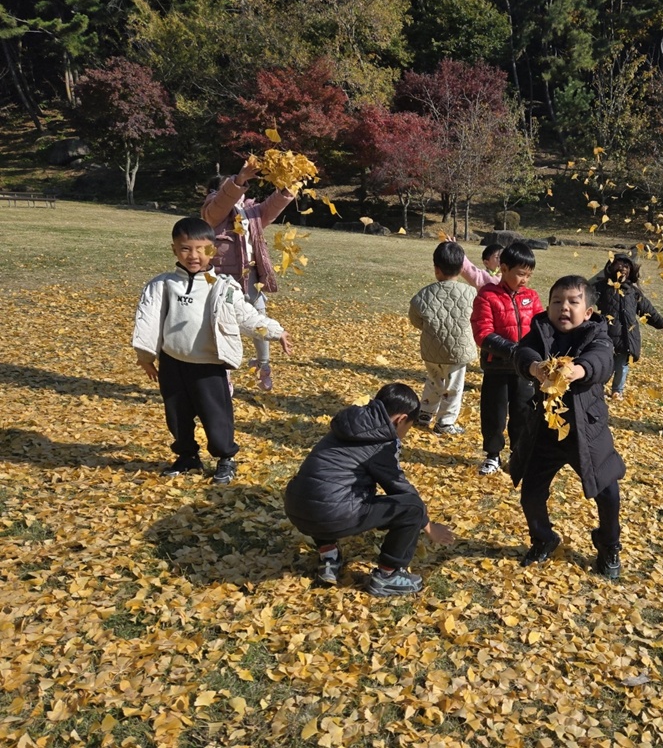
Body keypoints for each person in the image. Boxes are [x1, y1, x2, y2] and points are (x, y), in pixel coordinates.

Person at [132, 217, 292, 484]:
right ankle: (187, 456)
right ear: (174, 249)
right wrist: (145, 358)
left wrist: (276, 332)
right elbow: (147, 320)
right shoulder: (163, 285)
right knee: (177, 416)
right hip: (173, 364)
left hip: (209, 365)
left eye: (201, 249)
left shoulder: (223, 287)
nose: (193, 255)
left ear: (212, 250)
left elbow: (247, 317)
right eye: (185, 248)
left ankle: (225, 458)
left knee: (216, 416)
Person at [283, 383, 456, 596]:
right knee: (412, 507)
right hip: (330, 514)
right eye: (407, 429)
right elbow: (400, 489)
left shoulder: (350, 423)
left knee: (326, 492)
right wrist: (429, 526)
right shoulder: (381, 443)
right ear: (401, 419)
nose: (404, 435)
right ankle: (388, 575)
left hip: (296, 506)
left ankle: (328, 553)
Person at [511, 276, 627, 578]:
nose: (564, 308)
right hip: (545, 431)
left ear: (587, 311)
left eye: (573, 302)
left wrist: (578, 370)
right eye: (557, 302)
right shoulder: (539, 330)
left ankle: (609, 544)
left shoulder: (597, 333)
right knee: (531, 493)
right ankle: (543, 537)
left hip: (587, 432)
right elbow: (522, 353)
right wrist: (534, 367)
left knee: (608, 492)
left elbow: (602, 360)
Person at [201, 161, 295, 391]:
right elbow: (221, 204)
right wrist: (238, 181)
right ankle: (224, 375)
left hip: (250, 277)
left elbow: (271, 208)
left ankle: (263, 365)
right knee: (223, 325)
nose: (239, 194)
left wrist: (286, 190)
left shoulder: (251, 213)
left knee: (259, 319)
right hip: (222, 279)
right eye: (230, 188)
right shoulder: (212, 212)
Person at [470, 242, 545, 475]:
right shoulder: (487, 296)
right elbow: (483, 333)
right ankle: (493, 455)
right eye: (521, 274)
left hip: (525, 370)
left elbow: (541, 328)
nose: (525, 280)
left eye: (529, 275)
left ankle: (518, 454)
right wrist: (514, 351)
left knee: (523, 412)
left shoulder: (531, 297)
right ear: (503, 268)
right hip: (497, 367)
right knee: (494, 413)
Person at [409, 241, 478, 435]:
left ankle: (425, 413)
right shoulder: (471, 293)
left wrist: (430, 329)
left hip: (432, 350)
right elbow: (477, 318)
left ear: (436, 269)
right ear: (461, 268)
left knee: (434, 380)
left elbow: (415, 319)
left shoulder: (423, 295)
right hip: (458, 351)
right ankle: (445, 421)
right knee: (454, 386)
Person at [590, 252, 663, 400]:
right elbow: (586, 299)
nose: (623, 271)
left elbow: (648, 310)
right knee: (605, 363)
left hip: (628, 336)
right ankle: (597, 388)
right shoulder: (601, 287)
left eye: (626, 268)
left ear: (630, 272)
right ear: (612, 269)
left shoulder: (633, 292)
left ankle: (617, 391)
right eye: (619, 268)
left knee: (622, 365)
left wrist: (662, 323)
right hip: (607, 334)